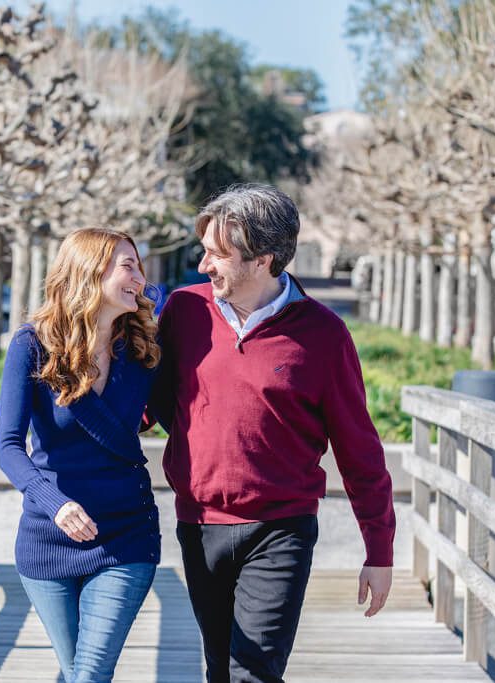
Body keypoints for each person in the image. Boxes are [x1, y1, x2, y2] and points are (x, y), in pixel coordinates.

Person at [149, 184, 396, 683]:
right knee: (220, 669)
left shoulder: (323, 335)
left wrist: (380, 549)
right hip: (198, 525)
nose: (203, 266)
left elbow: (358, 449)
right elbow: (145, 405)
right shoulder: (183, 311)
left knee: (253, 672)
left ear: (262, 259)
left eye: (218, 254)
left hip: (281, 528)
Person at [0, 227, 162, 683]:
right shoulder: (32, 346)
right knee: (76, 674)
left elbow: (154, 414)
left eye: (139, 265)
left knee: (89, 676)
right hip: (47, 538)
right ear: (90, 271)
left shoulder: (143, 348)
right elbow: (8, 447)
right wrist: (56, 504)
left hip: (125, 537)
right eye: (127, 265)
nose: (140, 277)